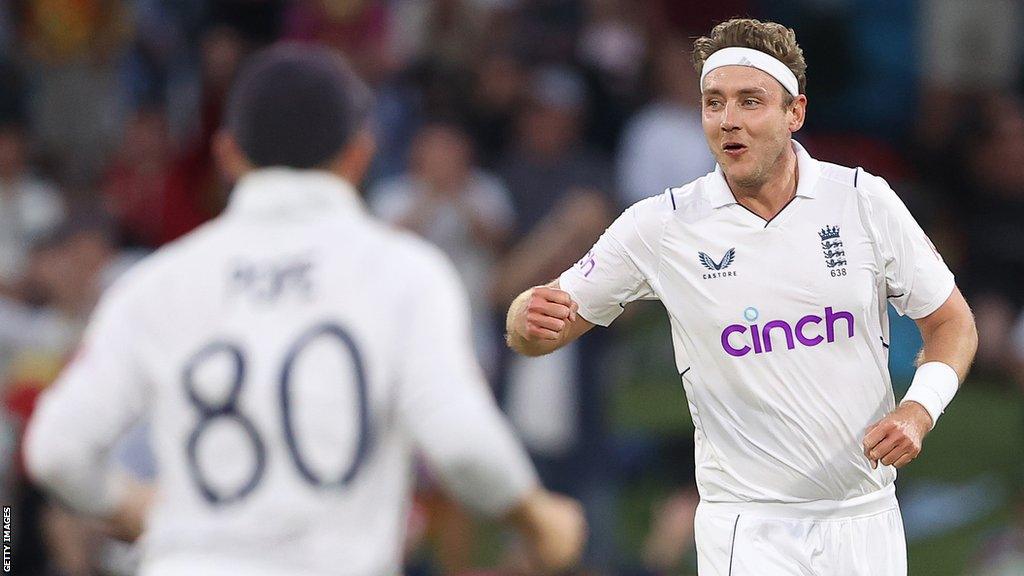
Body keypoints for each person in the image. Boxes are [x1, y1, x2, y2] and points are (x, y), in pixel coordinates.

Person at [24, 43, 585, 576]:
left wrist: (129, 505)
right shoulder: (404, 272)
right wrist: (538, 516)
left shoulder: (155, 283)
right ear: (360, 154)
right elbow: (461, 445)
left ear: (226, 154)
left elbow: (55, 449)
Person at [505, 18, 977, 576]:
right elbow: (538, 325)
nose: (728, 120)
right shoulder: (661, 226)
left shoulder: (862, 200)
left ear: (794, 113)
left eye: (750, 102)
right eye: (713, 102)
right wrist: (523, 319)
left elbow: (953, 324)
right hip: (748, 528)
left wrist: (918, 411)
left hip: (865, 519)